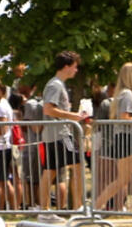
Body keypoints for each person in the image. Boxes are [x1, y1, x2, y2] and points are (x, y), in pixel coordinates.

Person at [38, 51, 94, 217]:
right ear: (67, 66)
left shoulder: (57, 84)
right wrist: (74, 116)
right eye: (75, 67)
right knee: (77, 165)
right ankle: (76, 208)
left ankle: (46, 210)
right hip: (60, 134)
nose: (76, 70)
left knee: (51, 171)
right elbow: (48, 109)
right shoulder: (55, 85)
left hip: (56, 133)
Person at [96, 63, 132, 213]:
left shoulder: (126, 93)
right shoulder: (127, 94)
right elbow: (123, 118)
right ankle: (95, 207)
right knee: (123, 179)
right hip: (124, 138)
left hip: (128, 137)